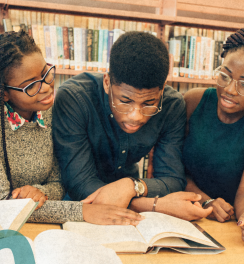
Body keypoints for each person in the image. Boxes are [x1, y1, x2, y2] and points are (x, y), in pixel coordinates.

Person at [52, 31, 212, 221]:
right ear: (107, 82)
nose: (136, 116)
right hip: (80, 209)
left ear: (162, 89)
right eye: (125, 101)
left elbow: (173, 179)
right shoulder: (74, 98)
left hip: (136, 202)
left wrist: (131, 186)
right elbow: (79, 184)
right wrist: (154, 205)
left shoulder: (171, 105)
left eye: (149, 103)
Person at [0, 30, 144, 225]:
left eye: (45, 73)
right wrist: (83, 212)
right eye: (31, 85)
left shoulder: (52, 112)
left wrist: (39, 193)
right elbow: (4, 205)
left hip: (40, 223)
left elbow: (59, 184)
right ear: (5, 93)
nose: (45, 87)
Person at [183, 27, 244, 246]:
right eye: (224, 75)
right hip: (181, 214)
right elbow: (171, 171)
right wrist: (205, 200)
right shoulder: (192, 102)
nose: (230, 89)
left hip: (226, 227)